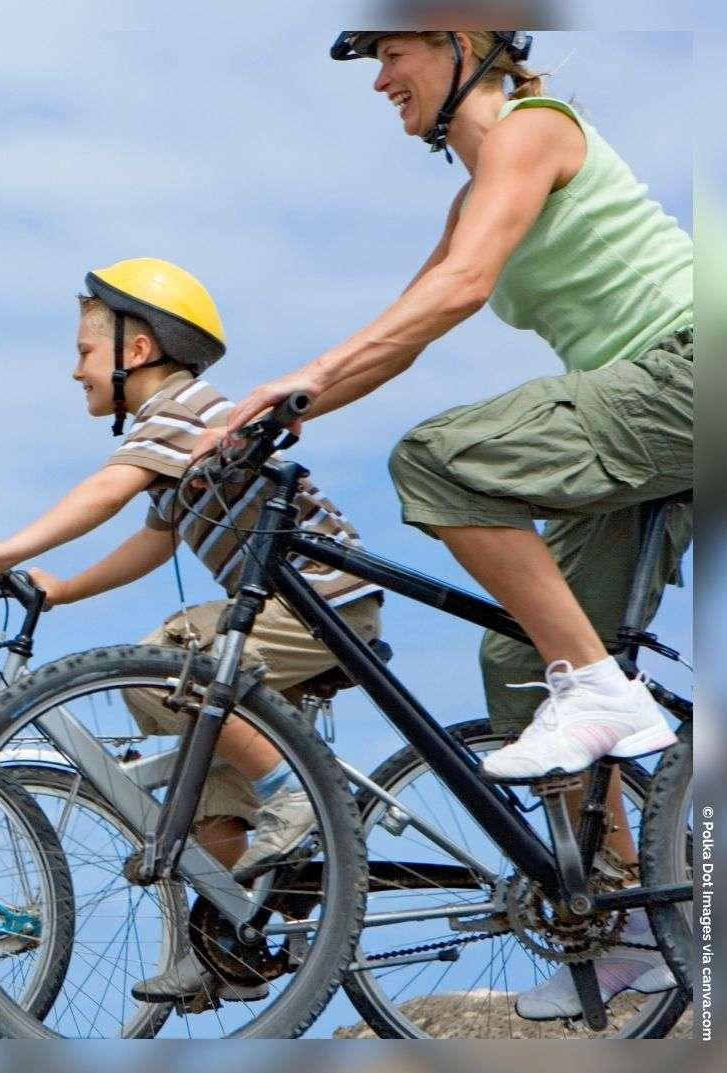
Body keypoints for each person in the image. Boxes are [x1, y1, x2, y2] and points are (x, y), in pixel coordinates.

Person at [221, 32, 689, 1017]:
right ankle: (633, 931)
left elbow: (463, 285)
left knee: (438, 458)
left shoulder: (533, 131)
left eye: (393, 53)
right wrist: (276, 410)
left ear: (463, 44)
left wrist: (298, 384)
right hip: (654, 413)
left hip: (692, 367)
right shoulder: (471, 190)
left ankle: (604, 692)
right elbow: (405, 330)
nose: (381, 80)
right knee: (520, 660)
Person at [0, 258, 385, 1007]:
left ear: (137, 351)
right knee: (208, 779)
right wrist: (63, 588)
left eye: (83, 352)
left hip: (317, 606)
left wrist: (13, 546)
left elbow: (105, 489)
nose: (73, 370)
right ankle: (220, 938)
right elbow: (153, 540)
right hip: (291, 610)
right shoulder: (180, 436)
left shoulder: (184, 413)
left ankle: (292, 798)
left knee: (169, 659)